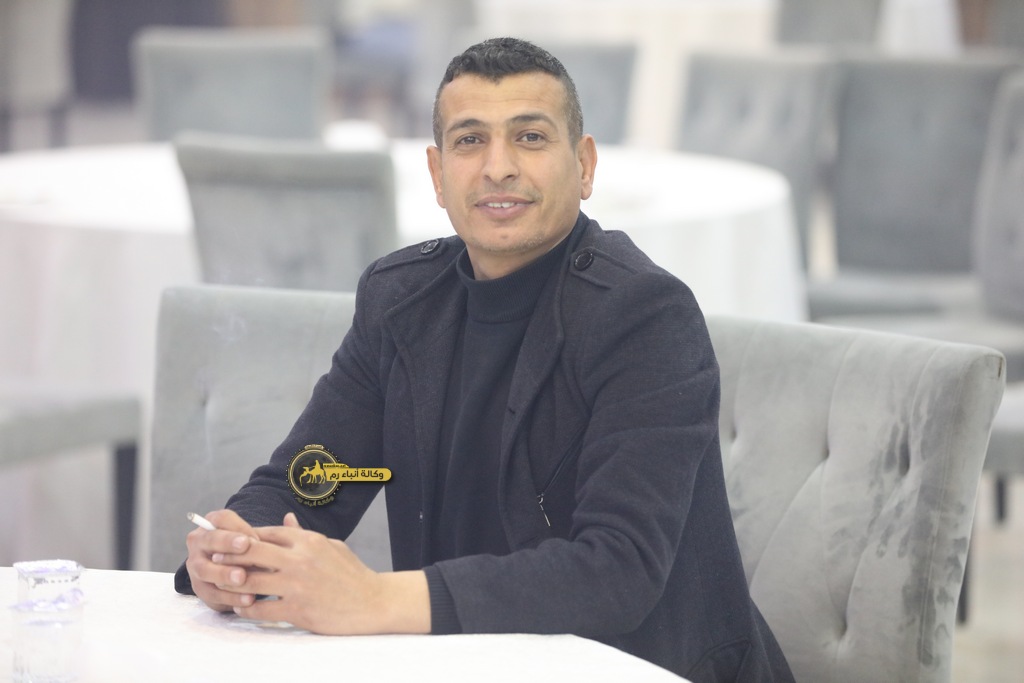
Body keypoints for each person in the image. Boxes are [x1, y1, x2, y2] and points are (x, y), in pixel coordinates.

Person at [178, 36, 794, 682]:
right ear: (437, 174)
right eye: (470, 140)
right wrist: (234, 549)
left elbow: (618, 569)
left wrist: (376, 597)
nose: (498, 167)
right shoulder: (399, 303)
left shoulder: (643, 315)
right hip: (463, 664)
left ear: (584, 165)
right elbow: (315, 479)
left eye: (530, 137)